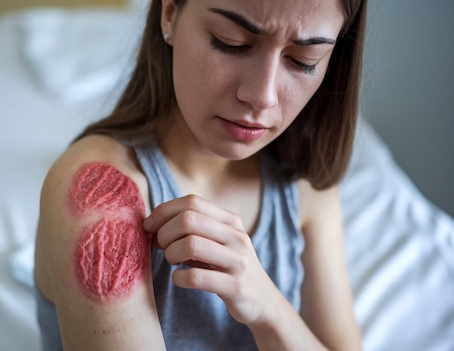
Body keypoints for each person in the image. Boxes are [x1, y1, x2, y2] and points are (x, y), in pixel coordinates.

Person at [33, 0, 367, 349]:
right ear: (170, 14)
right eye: (231, 42)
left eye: (303, 61)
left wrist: (268, 308)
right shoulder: (100, 192)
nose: (261, 97)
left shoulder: (305, 190)